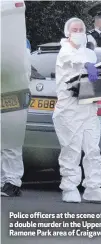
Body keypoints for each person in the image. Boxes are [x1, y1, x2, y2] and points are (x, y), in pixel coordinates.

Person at [53, 17, 101, 203]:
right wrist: (87, 65)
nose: (78, 33)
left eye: (81, 29)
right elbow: (74, 60)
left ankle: (93, 186)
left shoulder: (90, 53)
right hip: (69, 110)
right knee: (71, 149)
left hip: (89, 107)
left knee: (92, 149)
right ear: (67, 32)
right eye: (75, 30)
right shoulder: (64, 51)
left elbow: (91, 68)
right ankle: (69, 187)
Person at [0, 39, 32, 197]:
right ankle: (3, 181)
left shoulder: (19, 41)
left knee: (11, 142)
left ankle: (12, 182)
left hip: (13, 94)